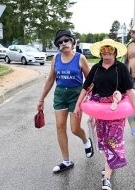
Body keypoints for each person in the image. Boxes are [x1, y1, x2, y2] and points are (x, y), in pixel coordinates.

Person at [74, 39, 135, 190]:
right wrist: (77, 106)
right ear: (100, 53)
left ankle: (107, 178)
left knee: (113, 140)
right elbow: (86, 88)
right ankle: (110, 164)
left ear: (115, 52)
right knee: (104, 140)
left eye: (109, 51)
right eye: (104, 51)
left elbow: (130, 90)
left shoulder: (121, 68)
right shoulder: (96, 68)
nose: (106, 54)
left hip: (116, 108)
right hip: (100, 110)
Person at [37, 30, 93, 173]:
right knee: (60, 127)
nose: (63, 44)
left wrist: (89, 97)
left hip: (76, 94)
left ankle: (86, 141)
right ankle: (66, 161)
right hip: (60, 94)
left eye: (66, 40)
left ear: (72, 41)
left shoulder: (80, 58)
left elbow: (90, 80)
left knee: (74, 129)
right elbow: (50, 79)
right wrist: (41, 99)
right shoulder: (56, 59)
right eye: (60, 42)